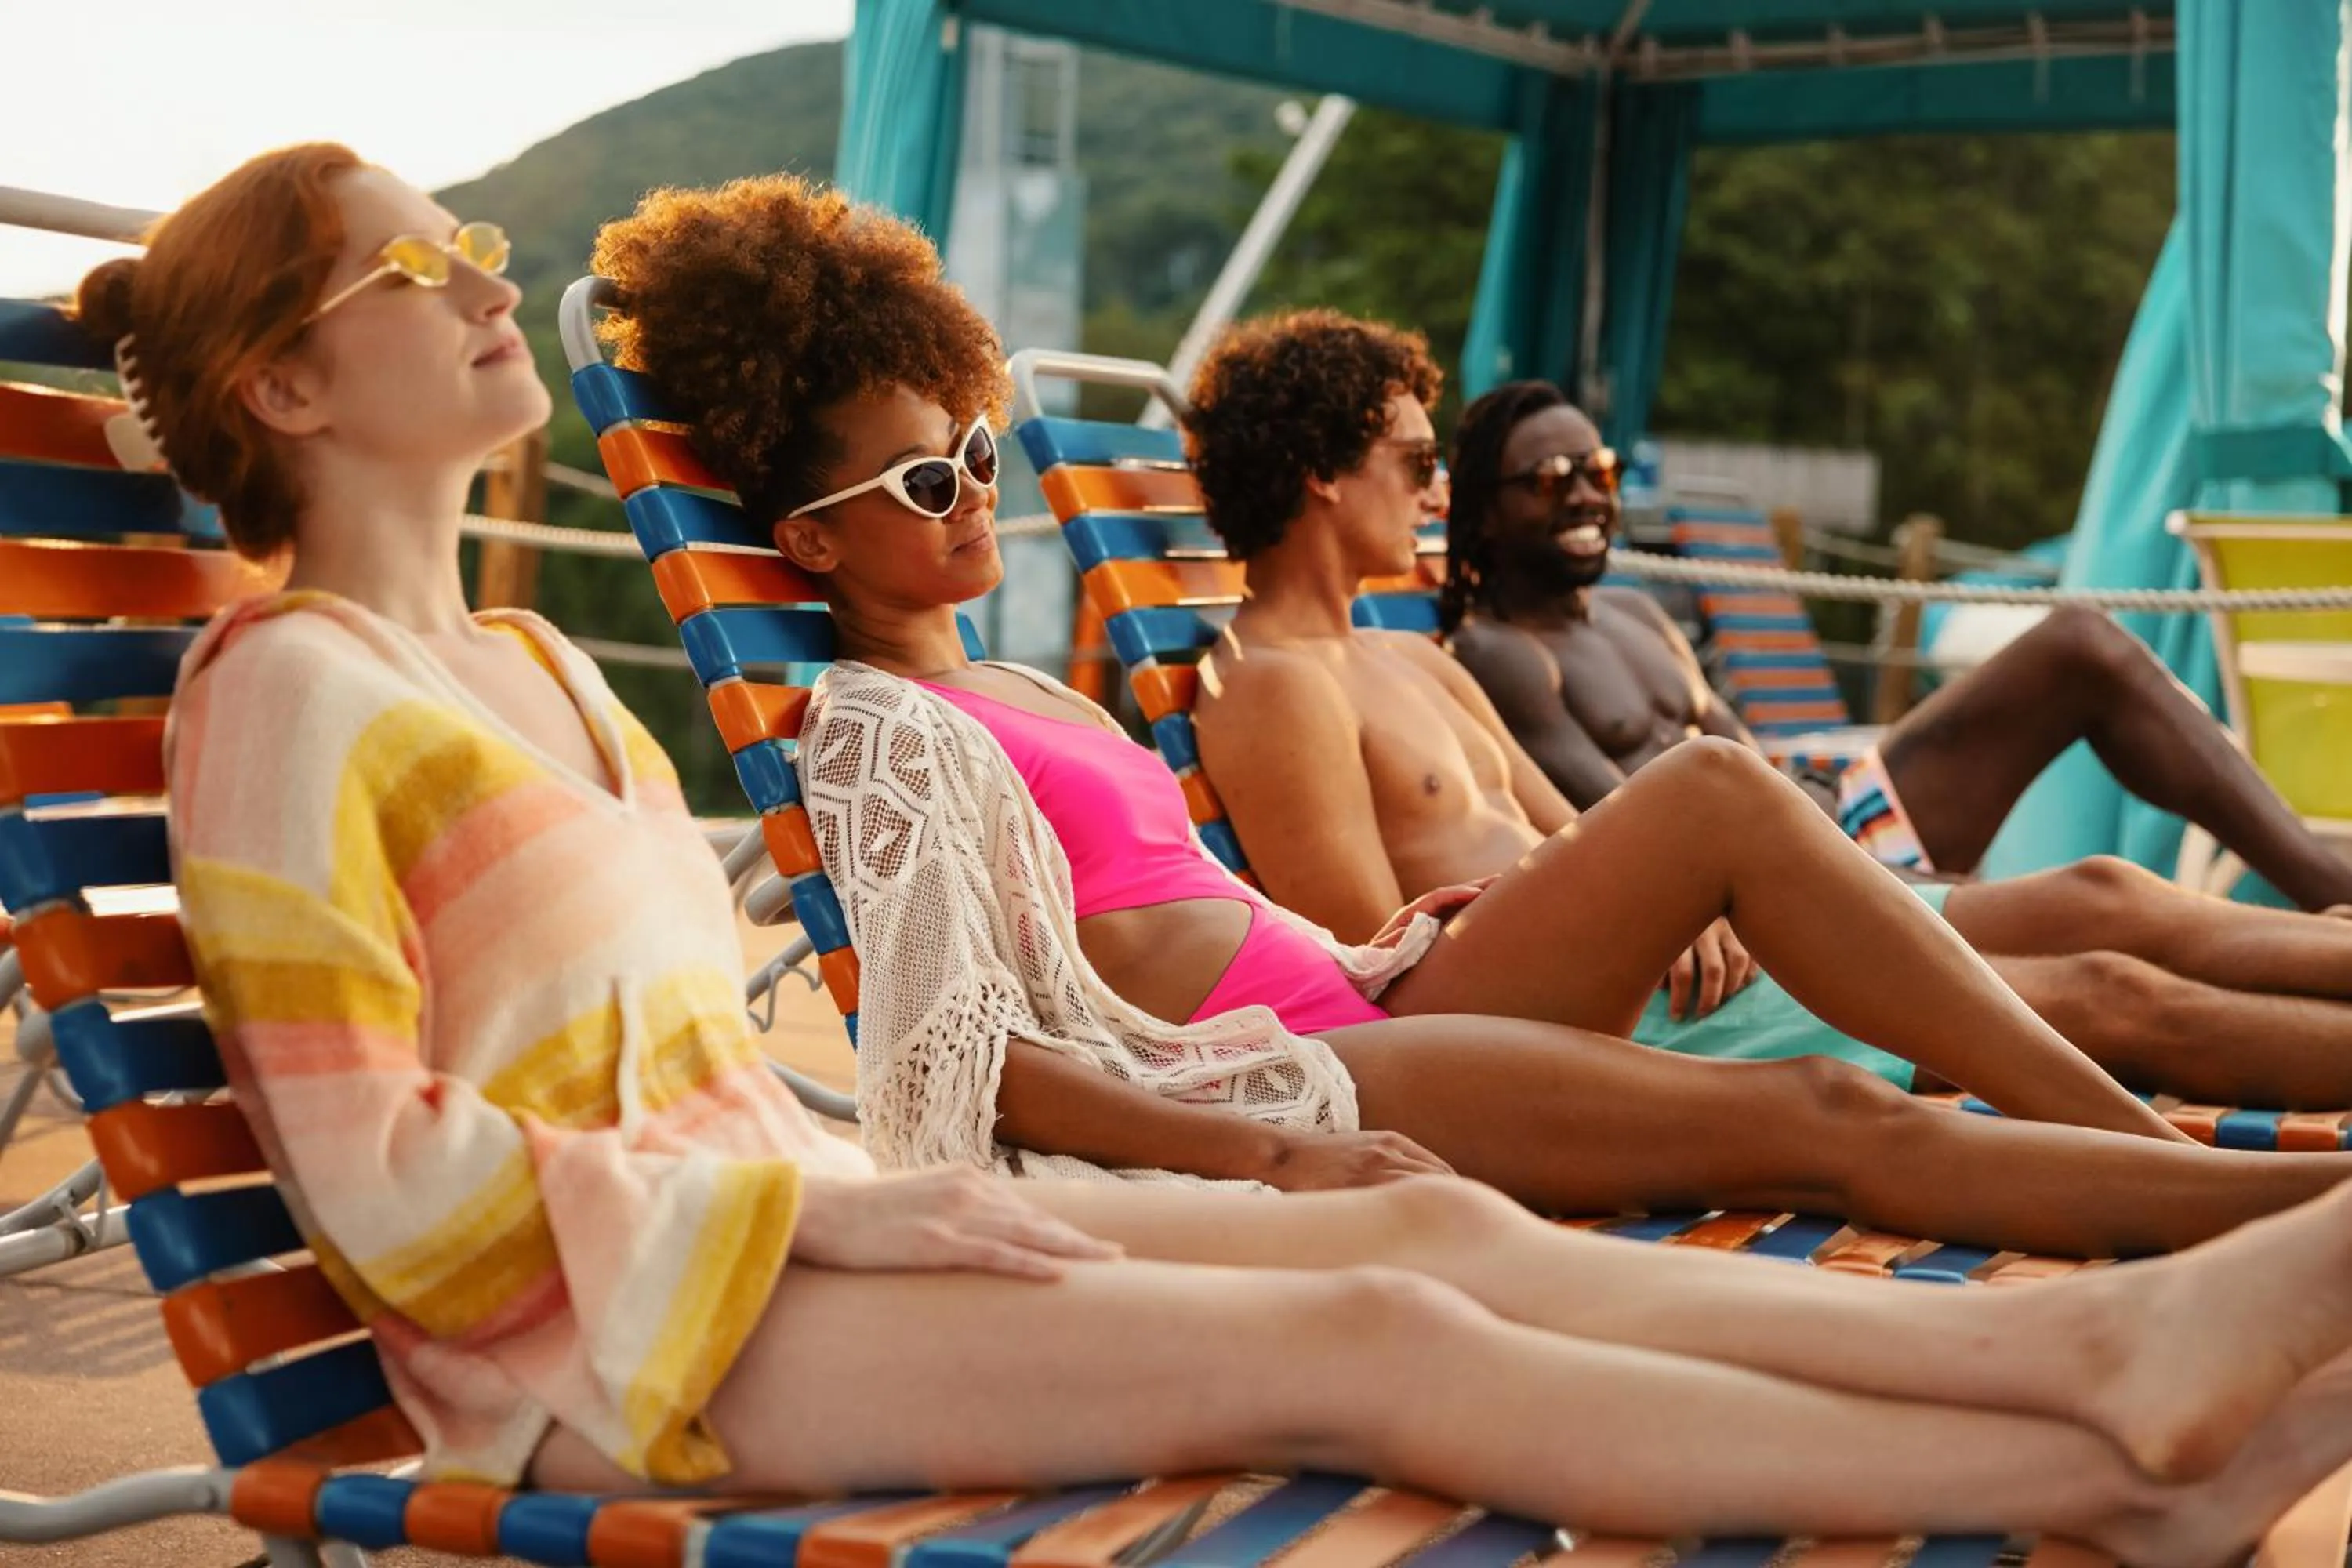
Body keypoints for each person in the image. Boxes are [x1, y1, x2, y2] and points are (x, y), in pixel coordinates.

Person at [98, 147, 2352, 1559]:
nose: (483, 270)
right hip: (622, 1347)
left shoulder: (541, 668)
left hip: (785, 1245)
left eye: (466, 231)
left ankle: (2129, 1348)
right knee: (1377, 1329)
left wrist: (876, 1194)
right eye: (413, 268)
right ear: (284, 393)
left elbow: (694, 1074)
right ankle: (2101, 1440)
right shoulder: (288, 697)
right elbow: (382, 1171)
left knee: (1459, 1245)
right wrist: (890, 1197)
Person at [595, 176, 2352, 1273]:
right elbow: (953, 1061)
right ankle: (2214, 1193)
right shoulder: (881, 725)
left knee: (1854, 1017)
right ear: (811, 538)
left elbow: (1195, 907)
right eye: (924, 478)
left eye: (976, 448)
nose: (975, 494)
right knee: (1781, 947)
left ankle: (2188, 1176)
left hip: (1368, 998)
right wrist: (1276, 1140)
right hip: (1296, 1071)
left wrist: (1379, 944)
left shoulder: (1020, 685)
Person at [1420, 375, 2352, 1103]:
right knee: (2107, 926)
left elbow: (1748, 757)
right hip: (1760, 890)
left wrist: (1815, 808)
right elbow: (1616, 820)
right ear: (1486, 511)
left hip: (1821, 814)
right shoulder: (1497, 653)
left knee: (2080, 647)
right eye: (1550, 479)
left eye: (1601, 469)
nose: (1586, 492)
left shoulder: (1635, 613)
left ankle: (2326, 887)